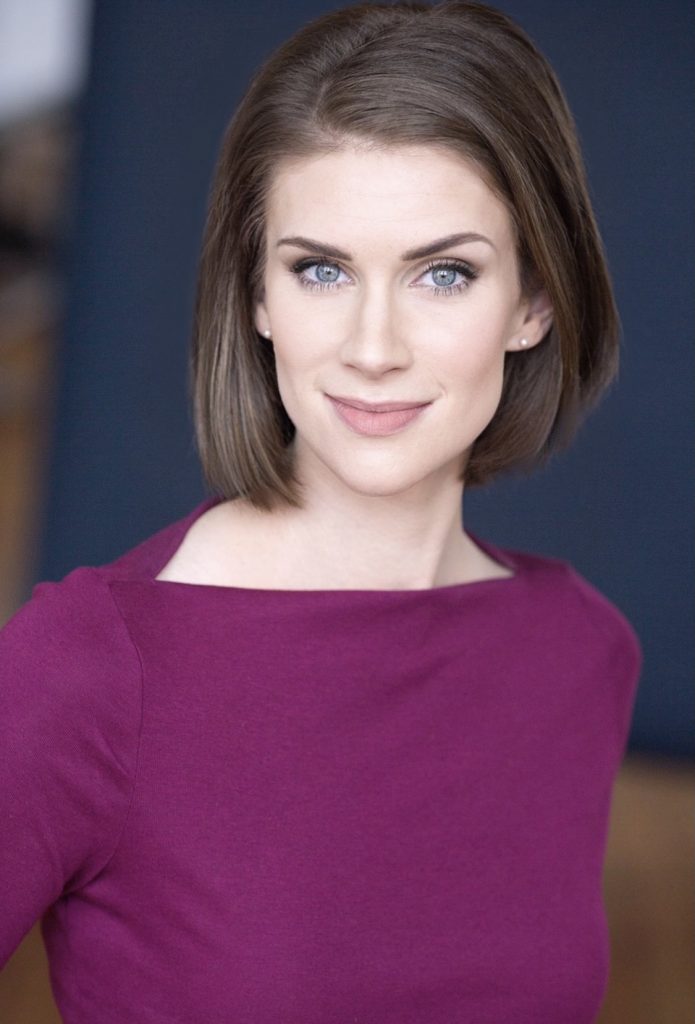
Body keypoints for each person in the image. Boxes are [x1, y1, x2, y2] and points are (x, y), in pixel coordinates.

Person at [0, 2, 642, 1021]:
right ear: (256, 296)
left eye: (442, 272)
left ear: (534, 301)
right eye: (319, 269)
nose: (372, 344)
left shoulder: (578, 652)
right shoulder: (89, 669)